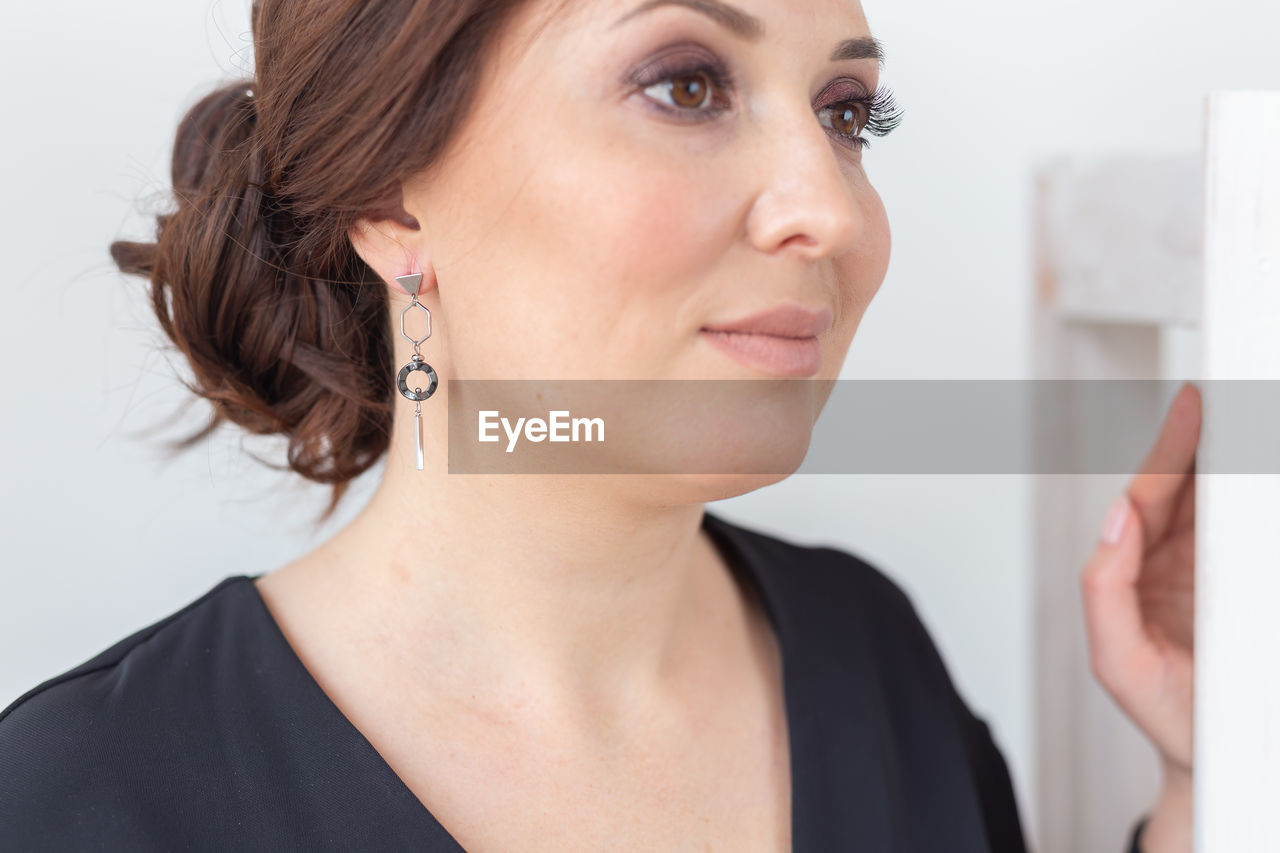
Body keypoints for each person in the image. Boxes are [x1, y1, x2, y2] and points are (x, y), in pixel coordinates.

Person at [0, 0, 1197, 850]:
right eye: (686, 84)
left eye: (845, 113)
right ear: (387, 196)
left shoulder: (872, 664)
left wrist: (1207, 778)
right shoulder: (85, 800)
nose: (828, 211)